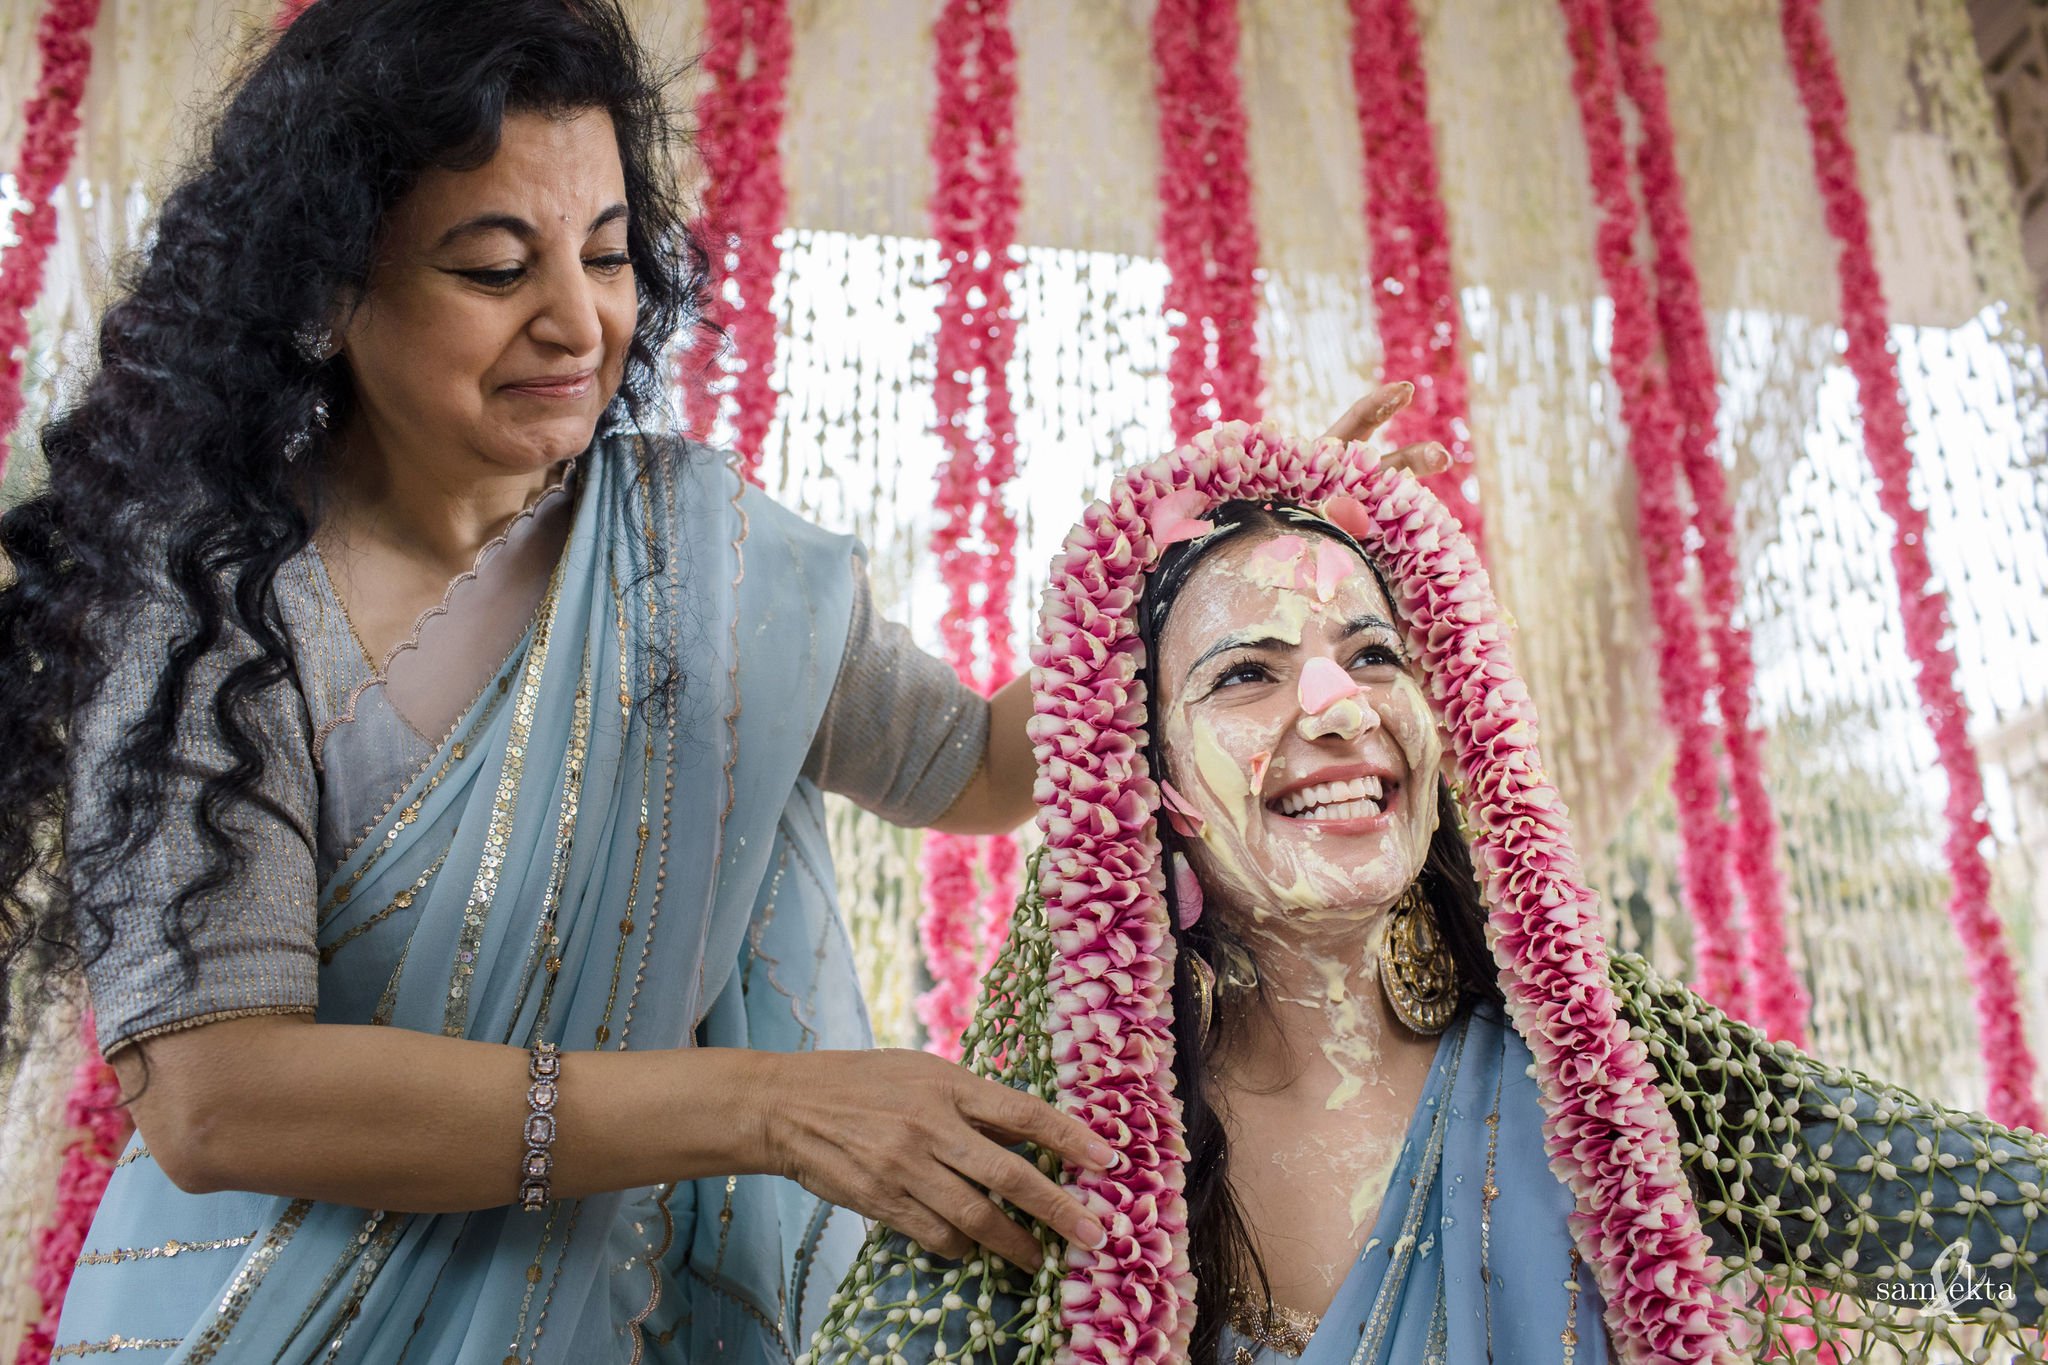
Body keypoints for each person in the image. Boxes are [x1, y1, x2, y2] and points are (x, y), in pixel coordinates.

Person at [0, 3, 1440, 1358]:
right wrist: (769, 1109)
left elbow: (992, 769)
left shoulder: (700, 555)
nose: (577, 322)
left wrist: (1243, 552)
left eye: (610, 252)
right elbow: (213, 1095)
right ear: (321, 291)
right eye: (496, 267)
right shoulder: (204, 607)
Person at [806, 436, 2048, 1363]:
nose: (1338, 708)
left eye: (1373, 653)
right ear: (1151, 783)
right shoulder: (1047, 1171)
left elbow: (1998, 1238)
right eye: (1245, 673)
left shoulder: (1610, 1071)